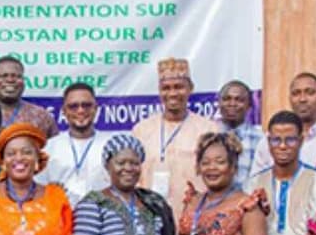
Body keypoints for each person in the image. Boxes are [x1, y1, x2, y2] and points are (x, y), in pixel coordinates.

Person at [132, 57, 220, 212]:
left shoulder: (208, 130)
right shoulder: (141, 130)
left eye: (179, 87)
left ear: (190, 88)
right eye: (166, 88)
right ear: (159, 91)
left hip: (193, 216)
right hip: (150, 217)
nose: (172, 93)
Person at [252, 72, 316, 171]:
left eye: (310, 92)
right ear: (290, 99)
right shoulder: (271, 140)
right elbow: (257, 181)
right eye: (296, 93)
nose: (302, 99)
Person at [37, 83, 113, 205]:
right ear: (64, 111)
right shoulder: (49, 148)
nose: (80, 110)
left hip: (102, 216)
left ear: (96, 108)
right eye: (73, 106)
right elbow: (39, 189)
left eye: (86, 105)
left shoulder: (111, 145)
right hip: (61, 217)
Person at [0, 56, 58, 138]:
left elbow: (55, 148)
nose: (10, 80)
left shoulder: (41, 116)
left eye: (16, 76)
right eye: (3, 76)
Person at [217, 80, 262, 185]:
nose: (232, 104)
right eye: (227, 99)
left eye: (239, 100)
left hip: (248, 199)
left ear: (249, 105)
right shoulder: (208, 134)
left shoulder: (260, 139)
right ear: (219, 103)